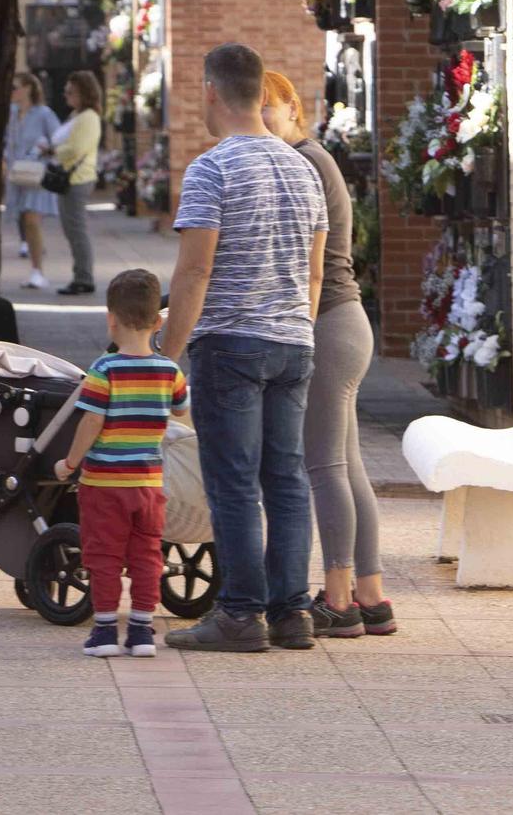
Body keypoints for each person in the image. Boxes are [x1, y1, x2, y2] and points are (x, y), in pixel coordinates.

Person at [158, 43, 327, 654]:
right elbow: (314, 273)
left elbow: (195, 271)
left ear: (210, 91)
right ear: (261, 93)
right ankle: (292, 611)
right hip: (292, 342)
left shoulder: (212, 169)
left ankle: (238, 613)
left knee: (232, 483)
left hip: (230, 344)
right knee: (286, 479)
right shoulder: (303, 168)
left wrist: (165, 351)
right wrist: (297, 327)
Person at [261, 71, 394, 637]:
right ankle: (371, 594)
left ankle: (338, 599)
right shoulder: (310, 158)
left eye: (268, 107)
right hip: (345, 324)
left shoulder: (305, 162)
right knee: (347, 465)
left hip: (328, 325)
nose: (260, 117)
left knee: (323, 467)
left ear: (294, 107)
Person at [53, 269, 187, 659]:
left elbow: (91, 421)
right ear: (157, 322)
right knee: (148, 556)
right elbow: (181, 410)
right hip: (148, 485)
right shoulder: (170, 372)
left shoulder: (103, 370)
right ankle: (143, 632)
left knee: (104, 556)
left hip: (104, 484)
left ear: (111, 319)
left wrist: (70, 462)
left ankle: (106, 630)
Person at [4, 73, 61, 290]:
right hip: (16, 175)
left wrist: (43, 147)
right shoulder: (11, 113)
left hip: (36, 176)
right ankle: (35, 269)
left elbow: (58, 140)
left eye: (15, 87)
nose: (12, 92)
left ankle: (38, 271)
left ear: (28, 88)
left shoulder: (44, 114)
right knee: (25, 220)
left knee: (31, 219)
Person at [54, 71, 104, 296]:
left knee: (76, 230)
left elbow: (76, 148)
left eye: (71, 92)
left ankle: (84, 278)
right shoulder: (77, 115)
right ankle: (80, 275)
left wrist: (52, 150)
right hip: (70, 178)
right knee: (71, 229)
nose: (66, 96)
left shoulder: (89, 117)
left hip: (77, 179)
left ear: (84, 93)